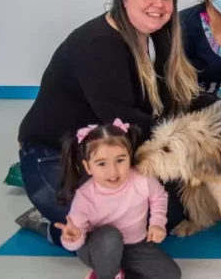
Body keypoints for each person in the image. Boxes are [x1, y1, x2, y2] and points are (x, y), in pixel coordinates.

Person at [16, 0, 218, 246]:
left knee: (175, 211)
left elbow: (177, 95)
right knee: (112, 233)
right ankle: (48, 222)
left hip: (113, 150)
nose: (158, 4)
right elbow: (123, 119)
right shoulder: (98, 45)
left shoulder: (156, 34)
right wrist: (192, 138)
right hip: (56, 154)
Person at [56, 120, 180, 279]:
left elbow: (159, 196)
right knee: (111, 236)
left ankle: (118, 271)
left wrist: (157, 223)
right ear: (88, 167)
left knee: (171, 274)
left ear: (130, 156)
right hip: (99, 249)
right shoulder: (84, 197)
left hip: (134, 246)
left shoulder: (142, 179)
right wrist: (72, 238)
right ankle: (104, 274)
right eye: (101, 164)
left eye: (120, 160)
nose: (113, 171)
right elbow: (76, 240)